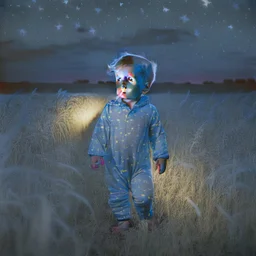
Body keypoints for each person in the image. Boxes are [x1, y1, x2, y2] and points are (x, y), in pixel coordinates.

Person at [88, 52, 169, 233]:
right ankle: (124, 221)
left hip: (140, 164)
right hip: (114, 163)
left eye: (129, 80)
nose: (122, 85)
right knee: (117, 194)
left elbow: (158, 134)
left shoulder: (149, 111)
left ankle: (148, 218)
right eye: (119, 80)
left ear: (145, 86)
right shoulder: (110, 109)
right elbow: (101, 131)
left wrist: (161, 155)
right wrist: (95, 152)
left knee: (143, 195)